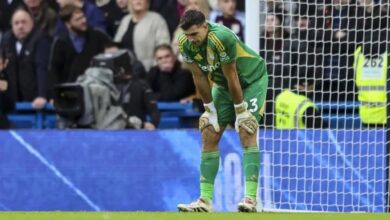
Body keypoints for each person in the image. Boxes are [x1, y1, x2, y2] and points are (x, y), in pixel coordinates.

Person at [176, 10, 268, 212]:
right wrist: (208, 110)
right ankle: (205, 201)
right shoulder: (184, 43)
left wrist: (241, 110)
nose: (191, 39)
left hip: (251, 80)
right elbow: (199, 77)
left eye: (194, 34)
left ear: (205, 27)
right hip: (223, 85)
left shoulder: (221, 37)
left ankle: (251, 199)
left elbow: (233, 75)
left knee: (246, 129)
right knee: (208, 131)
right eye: (188, 35)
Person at [49, 3, 111, 96]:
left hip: (94, 91)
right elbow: (54, 71)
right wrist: (54, 95)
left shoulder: (97, 36)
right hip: (69, 93)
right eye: (78, 19)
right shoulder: (60, 42)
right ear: (68, 24)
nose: (84, 21)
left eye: (83, 17)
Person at [0, 7, 51, 110]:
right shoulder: (6, 39)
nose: (20, 26)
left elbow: (42, 68)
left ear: (32, 23)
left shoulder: (41, 39)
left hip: (35, 101)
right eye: (16, 23)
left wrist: (42, 95)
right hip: (12, 101)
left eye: (24, 22)